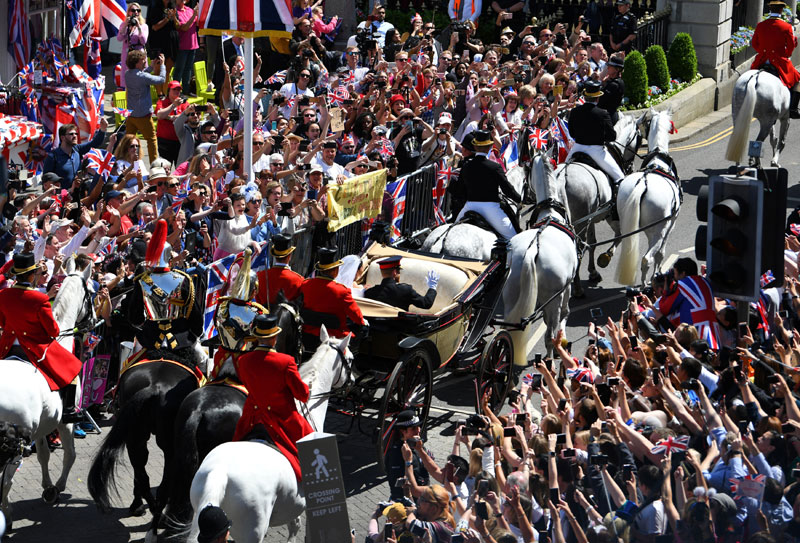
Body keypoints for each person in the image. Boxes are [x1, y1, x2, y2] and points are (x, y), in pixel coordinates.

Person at [0, 253, 83, 422]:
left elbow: (2, 322)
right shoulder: (40, 299)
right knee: (73, 369)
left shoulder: (3, 294)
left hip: (6, 346)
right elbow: (53, 331)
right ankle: (68, 411)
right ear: (31, 276)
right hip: (34, 348)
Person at [232, 314, 313, 481]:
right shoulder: (286, 361)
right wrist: (306, 388)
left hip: (252, 418)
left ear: (256, 336)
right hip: (281, 419)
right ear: (275, 338)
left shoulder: (243, 360)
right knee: (313, 446)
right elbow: (302, 395)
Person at [451, 130, 521, 239]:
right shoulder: (495, 167)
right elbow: (507, 189)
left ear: (475, 147)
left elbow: (459, 190)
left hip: (469, 206)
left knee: (451, 232)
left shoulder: (466, 166)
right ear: (489, 147)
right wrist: (520, 199)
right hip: (491, 208)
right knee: (513, 239)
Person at [298, 247, 365, 342]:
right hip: (335, 337)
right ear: (335, 270)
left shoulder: (305, 285)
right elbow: (357, 317)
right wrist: (363, 323)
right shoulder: (342, 291)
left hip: (308, 333)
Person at [565, 80, 624, 182]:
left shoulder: (575, 111)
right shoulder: (603, 113)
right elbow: (612, 137)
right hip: (597, 151)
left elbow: (572, 133)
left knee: (561, 172)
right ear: (597, 98)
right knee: (620, 178)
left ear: (585, 96)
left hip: (577, 147)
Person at [751, 0, 800, 118]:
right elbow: (790, 47)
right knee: (798, 79)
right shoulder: (786, 27)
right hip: (779, 61)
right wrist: (786, 54)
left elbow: (754, 43)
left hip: (761, 61)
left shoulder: (760, 25)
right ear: (781, 10)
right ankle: (793, 109)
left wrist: (763, 52)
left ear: (770, 10)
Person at [125, 50, 166, 163]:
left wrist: (151, 67)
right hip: (143, 115)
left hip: (131, 115)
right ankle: (154, 164)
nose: (145, 62)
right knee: (151, 140)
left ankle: (128, 162)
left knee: (129, 140)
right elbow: (161, 80)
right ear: (137, 63)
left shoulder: (127, 74)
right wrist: (162, 66)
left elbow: (143, 76)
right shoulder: (142, 77)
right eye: (143, 60)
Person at [43, 120, 109, 190]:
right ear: (62, 137)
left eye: (76, 134)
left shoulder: (77, 149)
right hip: (61, 197)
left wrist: (103, 129)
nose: (75, 136)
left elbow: (95, 143)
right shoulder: (53, 157)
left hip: (78, 194)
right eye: (71, 134)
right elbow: (46, 181)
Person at [364, 256, 439, 311]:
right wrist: (432, 287)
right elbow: (426, 304)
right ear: (394, 272)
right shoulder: (405, 290)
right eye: (399, 272)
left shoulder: (370, 292)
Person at [385, 409, 430, 500]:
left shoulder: (418, 445)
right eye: (413, 428)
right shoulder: (396, 454)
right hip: (407, 501)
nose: (418, 431)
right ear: (403, 431)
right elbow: (397, 485)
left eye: (418, 427)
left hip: (422, 496)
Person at [257, 233, 304, 306]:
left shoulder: (260, 276)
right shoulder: (299, 280)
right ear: (289, 256)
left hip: (263, 315)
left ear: (274, 255)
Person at [598, 55, 625, 124]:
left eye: (611, 66)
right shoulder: (612, 81)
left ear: (617, 69)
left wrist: (602, 85)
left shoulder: (614, 84)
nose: (608, 68)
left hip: (608, 117)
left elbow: (600, 100)